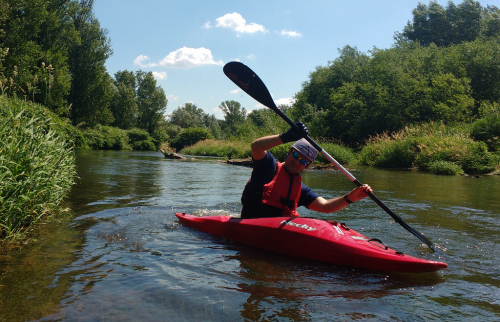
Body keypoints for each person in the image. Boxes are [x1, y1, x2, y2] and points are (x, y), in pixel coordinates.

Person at [241, 122, 373, 219]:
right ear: (289, 152)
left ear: (307, 167)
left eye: (304, 161)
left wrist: (350, 197)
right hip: (251, 222)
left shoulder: (301, 190)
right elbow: (256, 147)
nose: (297, 162)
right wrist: (286, 136)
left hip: (276, 230)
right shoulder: (268, 166)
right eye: (296, 155)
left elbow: (325, 207)